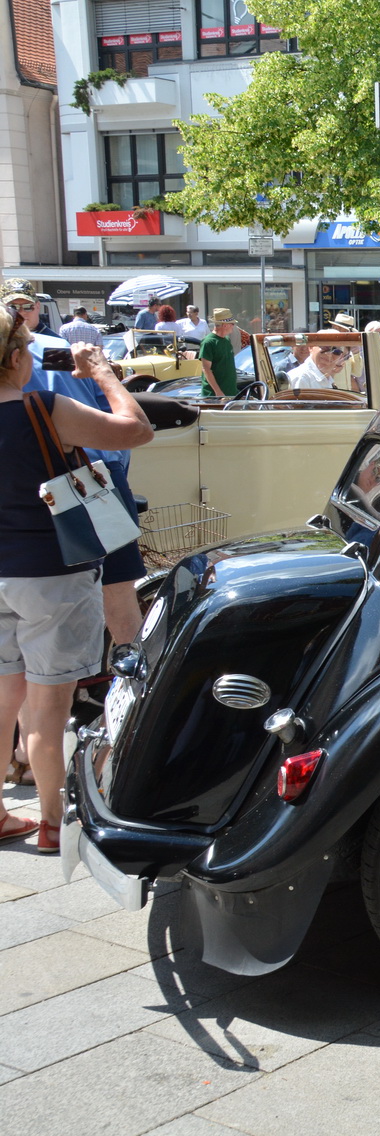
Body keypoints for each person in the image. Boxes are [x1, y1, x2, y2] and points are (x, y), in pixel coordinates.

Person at [1, 318, 153, 853]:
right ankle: (49, 822)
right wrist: (103, 374)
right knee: (47, 704)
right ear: (18, 356)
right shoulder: (41, 409)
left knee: (2, 696)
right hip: (48, 571)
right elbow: (135, 430)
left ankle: (0, 814)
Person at [198, 308, 244, 399]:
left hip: (230, 394)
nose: (233, 326)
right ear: (225, 325)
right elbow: (206, 369)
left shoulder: (226, 340)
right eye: (232, 324)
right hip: (214, 397)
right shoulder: (208, 342)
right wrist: (218, 392)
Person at [287, 342, 351, 390]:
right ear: (311, 347)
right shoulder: (302, 377)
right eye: (325, 348)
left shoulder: (326, 379)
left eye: (336, 351)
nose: (329, 354)